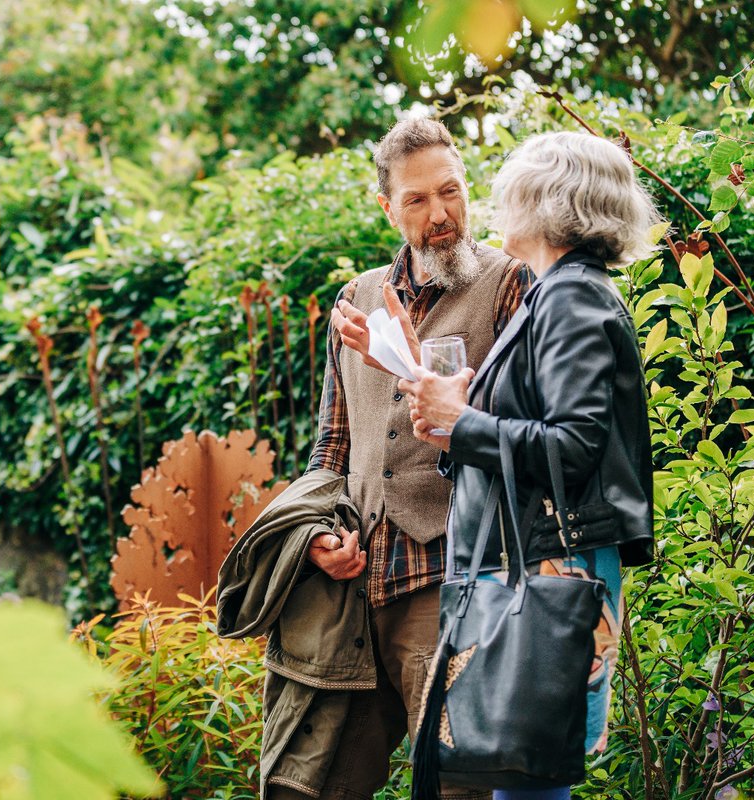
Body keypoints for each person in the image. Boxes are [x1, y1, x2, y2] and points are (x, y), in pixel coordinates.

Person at [217, 117, 531, 800]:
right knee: (313, 784)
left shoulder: (511, 285)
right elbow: (332, 447)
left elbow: (527, 433)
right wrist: (317, 536)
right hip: (351, 592)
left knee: (457, 786)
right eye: (417, 199)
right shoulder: (355, 301)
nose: (440, 214)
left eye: (450, 192)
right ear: (387, 207)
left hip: (453, 582)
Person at [397, 130, 657, 800]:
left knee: (528, 775)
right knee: (519, 772)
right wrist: (457, 426)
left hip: (548, 566)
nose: (497, 205)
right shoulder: (557, 293)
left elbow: (572, 446)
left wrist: (463, 422)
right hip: (533, 561)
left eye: (510, 192)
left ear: (549, 204)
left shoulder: (572, 298)